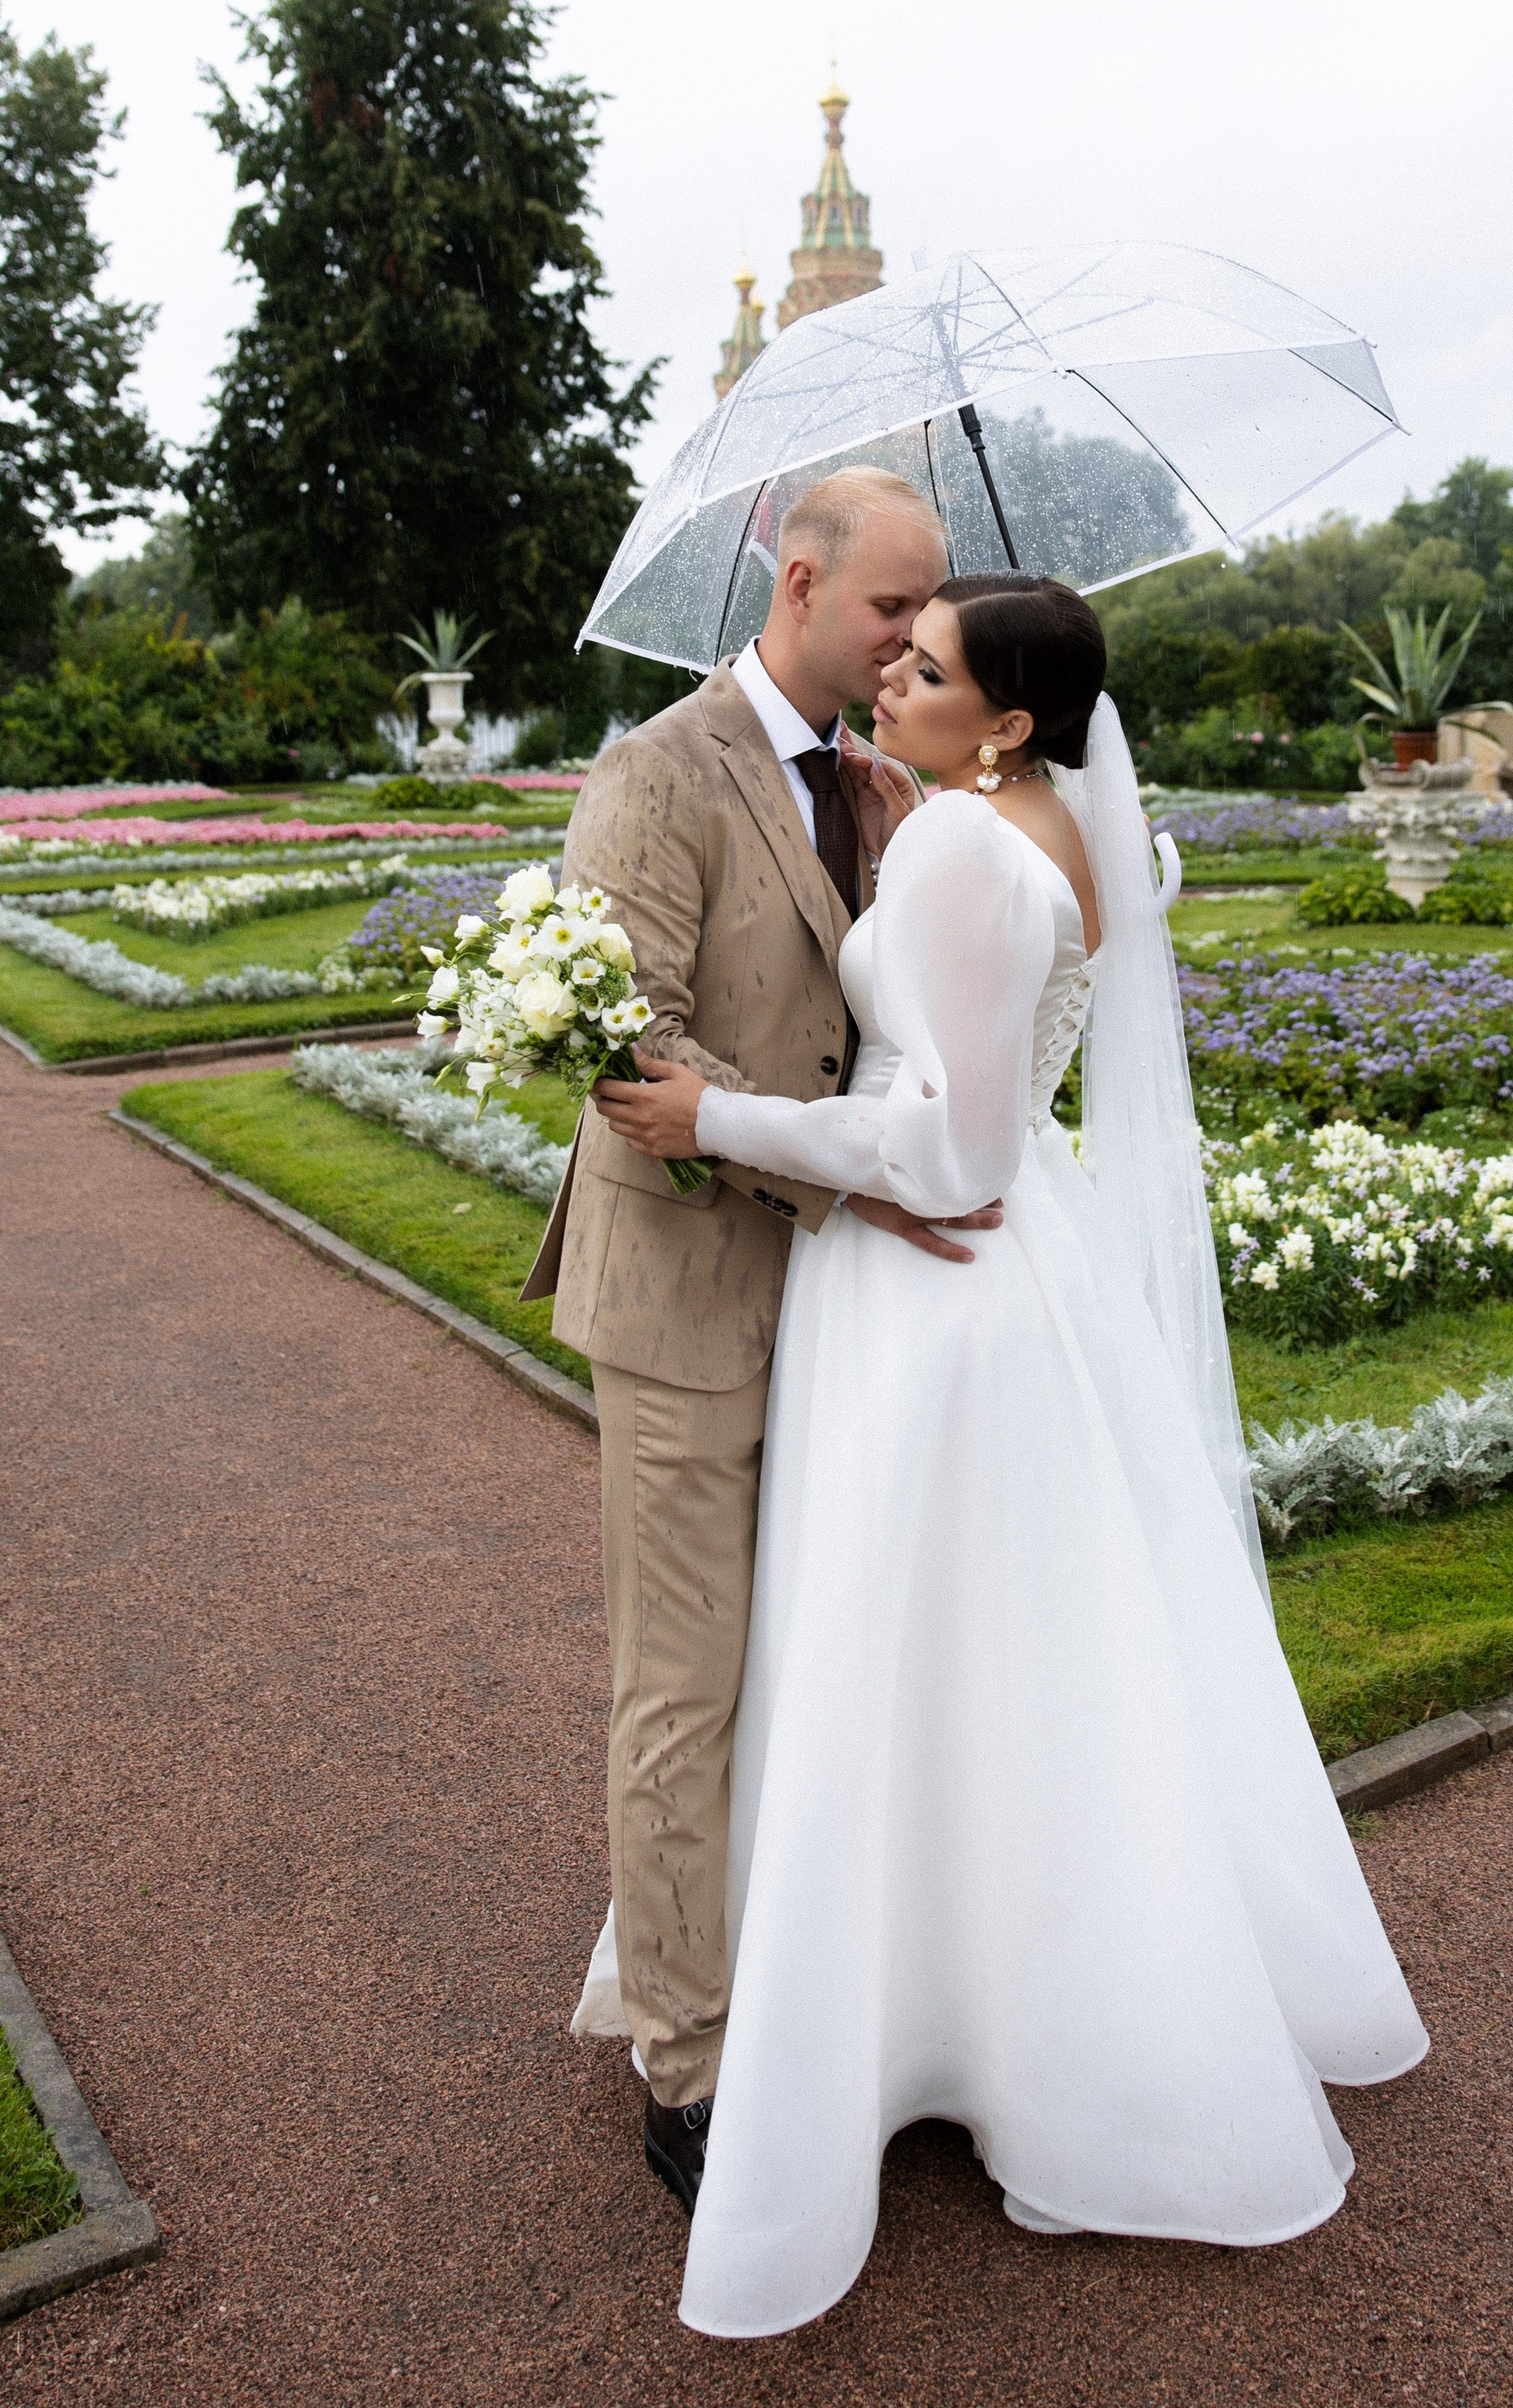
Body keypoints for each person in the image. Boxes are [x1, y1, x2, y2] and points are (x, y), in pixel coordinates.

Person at [594, 573, 1430, 2338]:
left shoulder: (965, 849)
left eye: (929, 661)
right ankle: (1028, 1989)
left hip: (935, 1299)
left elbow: (953, 1149)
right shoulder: (1073, 831)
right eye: (895, 647)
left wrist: (709, 1115)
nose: (888, 672)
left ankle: (902, 2020)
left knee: (903, 1651)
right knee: (1039, 1661)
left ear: (1010, 715)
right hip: (1039, 1277)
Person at [523, 466, 989, 2221]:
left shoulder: (877, 784)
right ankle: (689, 2063)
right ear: (797, 584)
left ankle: (827, 2000)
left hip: (847, 1324)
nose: (909, 643)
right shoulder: (657, 768)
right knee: (684, 1688)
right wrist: (857, 1187)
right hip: (689, 1301)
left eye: (931, 621)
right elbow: (628, 1062)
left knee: (815, 1666)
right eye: (892, 610)